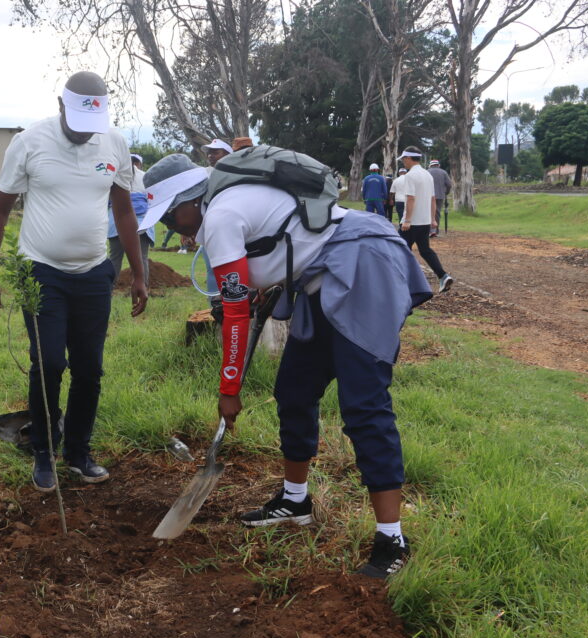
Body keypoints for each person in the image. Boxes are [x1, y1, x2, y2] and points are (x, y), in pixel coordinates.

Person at [141, 153, 433, 579]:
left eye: (170, 212)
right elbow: (280, 245)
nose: (169, 224)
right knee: (294, 391)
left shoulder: (221, 214)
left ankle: (392, 539)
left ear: (190, 198)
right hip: (321, 276)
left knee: (364, 406)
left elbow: (235, 314)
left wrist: (229, 388)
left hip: (362, 263)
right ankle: (295, 501)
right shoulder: (224, 205)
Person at [0, 71, 148, 493]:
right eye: (76, 122)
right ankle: (43, 452)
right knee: (50, 363)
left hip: (94, 273)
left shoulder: (114, 143)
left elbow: (124, 211)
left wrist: (138, 273)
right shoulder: (29, 142)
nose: (84, 132)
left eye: (92, 124)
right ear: (60, 106)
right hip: (42, 271)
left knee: (89, 369)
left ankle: (78, 452)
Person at [398, 147, 453, 293]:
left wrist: (407, 220)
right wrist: (433, 219)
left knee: (400, 250)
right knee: (425, 250)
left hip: (411, 223)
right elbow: (432, 199)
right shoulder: (427, 175)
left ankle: (406, 281)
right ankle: (443, 275)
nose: (403, 162)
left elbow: (410, 198)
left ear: (409, 158)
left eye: (404, 159)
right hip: (424, 221)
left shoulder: (410, 176)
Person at [108, 153, 152, 287]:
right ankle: (143, 288)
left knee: (115, 257)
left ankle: (109, 288)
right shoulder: (145, 177)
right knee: (142, 257)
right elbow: (151, 201)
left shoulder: (113, 175)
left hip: (116, 224)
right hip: (141, 224)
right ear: (139, 164)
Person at [427, 159, 452, 237]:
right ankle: (435, 230)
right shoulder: (444, 172)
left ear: (430, 165)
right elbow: (449, 184)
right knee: (437, 212)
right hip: (440, 195)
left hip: (428, 195)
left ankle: (429, 230)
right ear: (438, 165)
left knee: (428, 212)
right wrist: (446, 192)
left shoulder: (427, 172)